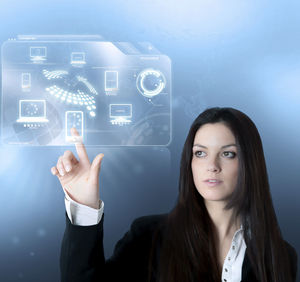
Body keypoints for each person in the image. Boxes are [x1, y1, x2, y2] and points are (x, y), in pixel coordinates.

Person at [51, 107, 298, 282]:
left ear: (250, 163)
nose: (212, 165)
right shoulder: (149, 236)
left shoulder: (279, 255)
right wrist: (84, 204)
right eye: (200, 153)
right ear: (189, 162)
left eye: (228, 153)